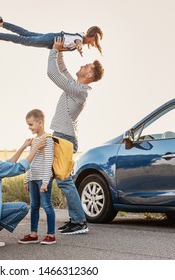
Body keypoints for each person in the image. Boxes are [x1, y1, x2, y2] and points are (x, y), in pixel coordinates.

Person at [47, 36, 104, 234]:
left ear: (89, 74)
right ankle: (75, 220)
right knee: (51, 178)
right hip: (60, 135)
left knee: (64, 181)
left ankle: (80, 222)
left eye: (86, 65)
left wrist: (53, 50)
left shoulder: (80, 91)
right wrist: (61, 49)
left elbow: (53, 73)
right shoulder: (75, 85)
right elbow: (62, 69)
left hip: (64, 138)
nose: (82, 64)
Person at [18, 109, 56, 245]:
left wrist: (45, 182)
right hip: (33, 179)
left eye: (31, 125)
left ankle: (51, 235)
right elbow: (31, 160)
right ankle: (33, 234)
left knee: (47, 205)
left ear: (40, 123)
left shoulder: (47, 140)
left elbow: (48, 161)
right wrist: (27, 179)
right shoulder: (34, 140)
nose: (29, 128)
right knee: (34, 206)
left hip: (43, 179)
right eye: (28, 125)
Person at [0, 17, 103, 56]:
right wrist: (79, 48)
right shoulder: (79, 40)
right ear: (92, 37)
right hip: (50, 40)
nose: (93, 44)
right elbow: (76, 42)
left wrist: (78, 47)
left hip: (50, 36)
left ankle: (1, 23)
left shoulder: (80, 35)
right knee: (24, 40)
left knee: (25, 33)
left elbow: (76, 40)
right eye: (94, 41)